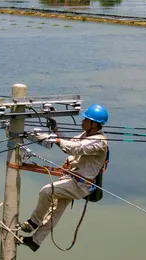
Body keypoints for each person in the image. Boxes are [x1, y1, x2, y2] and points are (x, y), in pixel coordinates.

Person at [18, 104, 109, 252]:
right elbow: (71, 143)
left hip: (80, 185)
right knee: (55, 211)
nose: (82, 122)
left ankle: (34, 222)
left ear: (94, 124)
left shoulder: (99, 142)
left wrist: (54, 139)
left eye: (85, 120)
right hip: (71, 179)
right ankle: (35, 241)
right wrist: (55, 131)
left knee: (47, 191)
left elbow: (75, 148)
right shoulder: (86, 135)